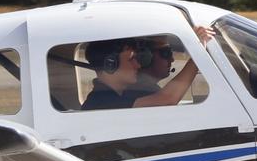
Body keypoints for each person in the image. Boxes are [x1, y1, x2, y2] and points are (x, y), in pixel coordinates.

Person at [81, 27, 214, 110]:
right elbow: (168, 99)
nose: (138, 65)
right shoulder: (103, 102)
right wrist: (199, 51)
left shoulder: (115, 95)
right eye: (131, 59)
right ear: (110, 64)